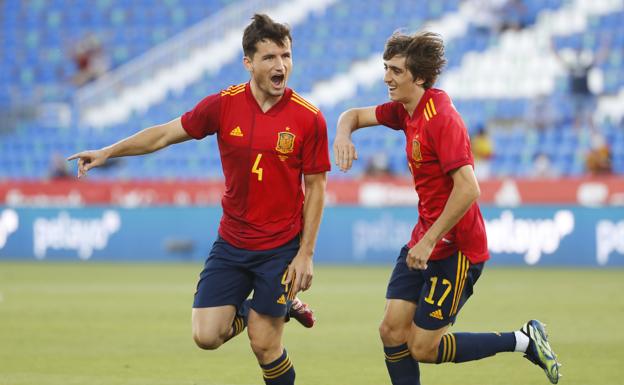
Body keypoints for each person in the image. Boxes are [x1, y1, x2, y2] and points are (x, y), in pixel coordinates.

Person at [68, 14, 329, 385]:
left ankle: (276, 304)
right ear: (249, 63)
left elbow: (317, 186)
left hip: (280, 247)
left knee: (263, 342)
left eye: (286, 56)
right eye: (269, 57)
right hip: (233, 241)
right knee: (206, 336)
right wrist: (109, 152)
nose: (281, 65)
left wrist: (306, 253)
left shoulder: (309, 118)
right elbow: (164, 135)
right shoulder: (223, 106)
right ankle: (275, 304)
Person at [333, 31, 561, 384]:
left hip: (456, 249)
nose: (386, 78)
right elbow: (352, 115)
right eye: (385, 68)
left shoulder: (442, 118)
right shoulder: (405, 110)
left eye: (395, 71)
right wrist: (342, 135)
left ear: (419, 77)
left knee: (423, 348)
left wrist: (429, 241)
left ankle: (524, 340)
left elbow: (469, 188)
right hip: (424, 238)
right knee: (391, 331)